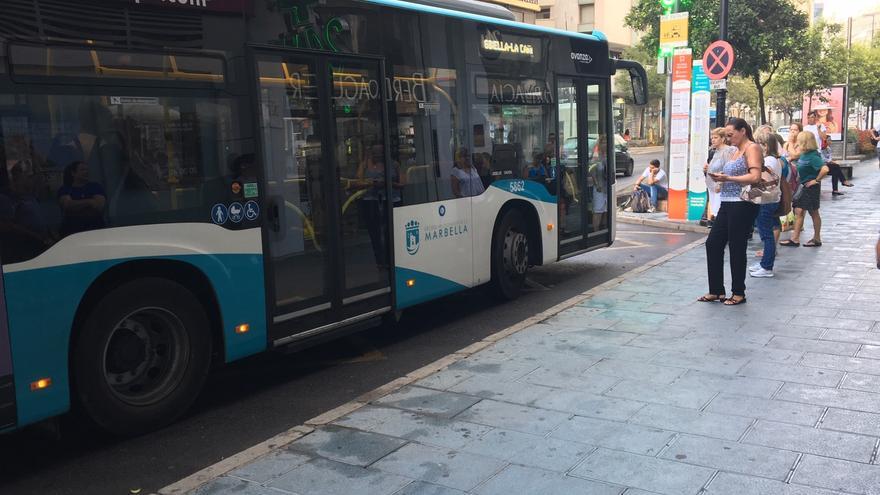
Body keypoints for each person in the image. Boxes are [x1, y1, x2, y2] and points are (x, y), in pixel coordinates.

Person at [700, 118, 762, 306]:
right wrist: (718, 177)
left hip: (742, 203)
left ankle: (738, 293)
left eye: (730, 134)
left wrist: (729, 178)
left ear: (742, 131)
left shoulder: (752, 148)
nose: (728, 138)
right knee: (713, 243)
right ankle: (717, 290)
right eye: (726, 135)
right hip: (727, 203)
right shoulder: (735, 151)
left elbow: (755, 176)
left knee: (736, 246)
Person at [780, 132, 828, 248]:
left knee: (809, 212)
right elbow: (792, 158)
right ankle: (798, 238)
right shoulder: (804, 154)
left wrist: (816, 180)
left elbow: (825, 169)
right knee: (802, 211)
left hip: (811, 187)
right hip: (804, 187)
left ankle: (811, 238)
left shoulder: (813, 156)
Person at [749, 131, 783, 278]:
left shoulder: (768, 161)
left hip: (766, 201)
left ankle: (767, 266)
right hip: (771, 200)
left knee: (766, 235)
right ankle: (765, 263)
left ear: (765, 145)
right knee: (767, 233)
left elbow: (763, 182)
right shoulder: (774, 160)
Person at [58, 160, 106, 237]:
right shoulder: (65, 189)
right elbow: (67, 205)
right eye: (82, 170)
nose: (86, 172)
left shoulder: (95, 186)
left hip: (96, 231)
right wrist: (89, 202)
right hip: (72, 233)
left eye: (87, 170)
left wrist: (77, 206)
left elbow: (99, 205)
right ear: (73, 173)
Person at [705, 127, 734, 225]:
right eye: (712, 138)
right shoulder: (714, 151)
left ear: (722, 139)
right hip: (712, 185)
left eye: (715, 137)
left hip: (720, 186)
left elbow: (728, 169)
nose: (713, 140)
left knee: (719, 213)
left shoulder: (727, 151)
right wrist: (706, 169)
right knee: (714, 211)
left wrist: (720, 184)